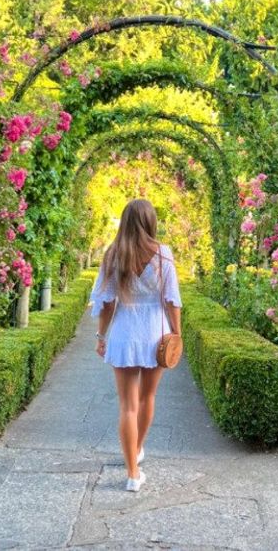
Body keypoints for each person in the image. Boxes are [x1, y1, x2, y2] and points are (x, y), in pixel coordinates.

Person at [90, 199, 182, 492]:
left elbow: (106, 303)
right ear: (150, 222)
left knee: (127, 406)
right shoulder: (163, 254)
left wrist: (101, 337)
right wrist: (177, 335)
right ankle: (138, 447)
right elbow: (171, 300)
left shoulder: (114, 254)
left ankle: (132, 473)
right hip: (156, 333)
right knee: (147, 397)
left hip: (124, 332)